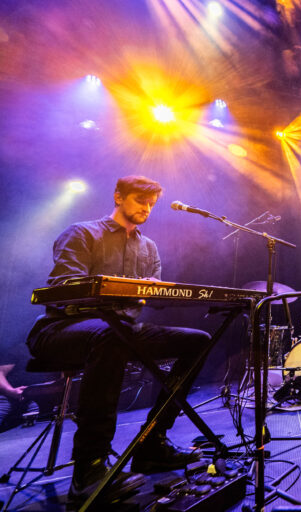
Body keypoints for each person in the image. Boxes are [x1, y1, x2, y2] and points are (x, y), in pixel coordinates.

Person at [26, 176, 210, 506]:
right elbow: (65, 287)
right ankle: (89, 469)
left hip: (120, 332)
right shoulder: (82, 233)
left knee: (198, 340)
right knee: (111, 337)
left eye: (152, 204)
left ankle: (152, 442)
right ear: (118, 197)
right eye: (140, 200)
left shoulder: (148, 247)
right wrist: (132, 286)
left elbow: (147, 298)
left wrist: (155, 292)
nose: (146, 208)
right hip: (60, 329)